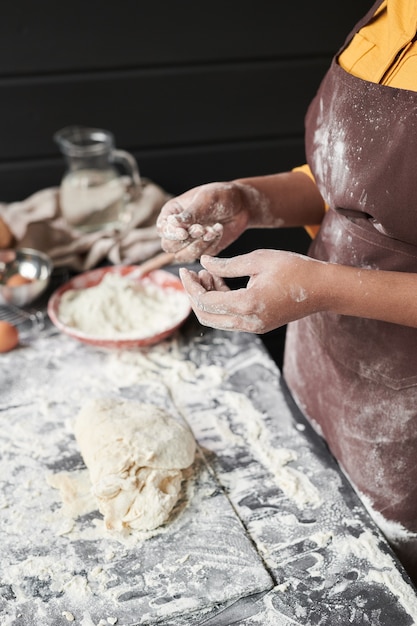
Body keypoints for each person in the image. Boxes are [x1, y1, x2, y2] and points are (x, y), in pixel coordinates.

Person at [156, 0, 417, 585]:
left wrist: (320, 287)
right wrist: (249, 199)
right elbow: (352, 196)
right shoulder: (392, 13)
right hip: (325, 358)